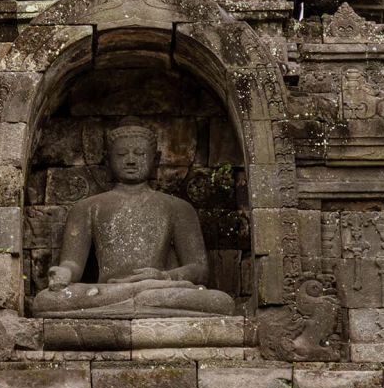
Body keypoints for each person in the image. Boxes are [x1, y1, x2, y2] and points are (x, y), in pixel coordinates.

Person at [32, 124, 239, 319]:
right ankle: (137, 301)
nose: (131, 160)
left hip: (157, 289)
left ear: (155, 159)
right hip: (108, 290)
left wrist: (161, 277)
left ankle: (135, 301)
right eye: (122, 154)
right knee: (45, 301)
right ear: (107, 159)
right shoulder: (86, 208)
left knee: (220, 302)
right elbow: (73, 264)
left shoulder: (178, 207)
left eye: (140, 154)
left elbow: (199, 270)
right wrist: (63, 273)